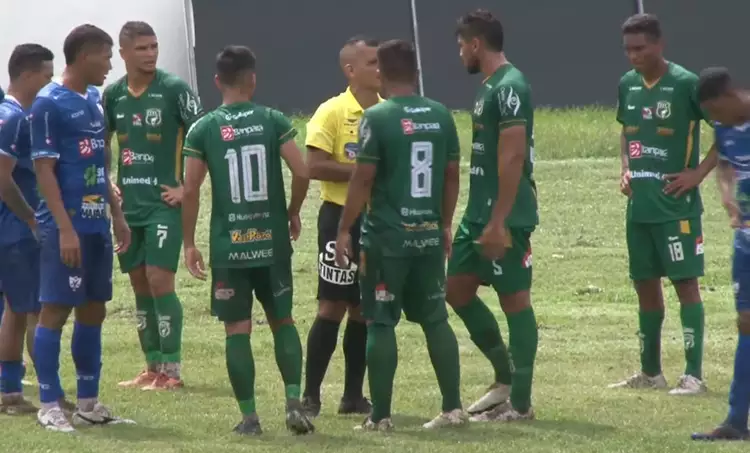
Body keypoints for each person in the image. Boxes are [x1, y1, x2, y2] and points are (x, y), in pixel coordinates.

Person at [182, 45, 314, 436]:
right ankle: (294, 403)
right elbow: (302, 170)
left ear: (217, 82)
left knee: (237, 330)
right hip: (271, 243)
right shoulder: (272, 120)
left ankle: (250, 418)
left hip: (230, 248)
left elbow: (190, 190)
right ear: (253, 79)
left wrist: (189, 242)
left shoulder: (203, 128)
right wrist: (292, 211)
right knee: (283, 321)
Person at [334, 39, 465, 431]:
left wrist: (344, 228)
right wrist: (444, 223)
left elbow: (363, 178)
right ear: (417, 72)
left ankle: (381, 416)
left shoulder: (377, 116)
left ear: (381, 74)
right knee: (435, 318)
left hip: (387, 239)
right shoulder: (442, 115)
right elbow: (451, 174)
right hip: (427, 235)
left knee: (380, 322)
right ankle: (453, 408)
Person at [30, 24, 133, 432]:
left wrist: (117, 214)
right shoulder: (47, 104)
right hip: (65, 227)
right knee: (55, 309)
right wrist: (65, 229)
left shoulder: (93, 99)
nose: (110, 65)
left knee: (94, 308)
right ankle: (48, 403)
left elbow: (102, 160)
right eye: (107, 56)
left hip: (97, 225)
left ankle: (88, 402)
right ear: (86, 54)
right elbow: (44, 171)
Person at [608, 13, 716, 394]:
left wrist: (697, 174)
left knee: (685, 284)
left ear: (659, 44)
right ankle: (651, 373)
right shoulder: (627, 85)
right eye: (628, 50)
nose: (634, 56)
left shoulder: (687, 84)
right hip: (640, 208)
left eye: (641, 48)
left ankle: (694, 375)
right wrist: (625, 169)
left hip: (676, 208)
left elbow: (730, 128)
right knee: (645, 285)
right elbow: (626, 132)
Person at [445, 9, 538, 422]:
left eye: (462, 45)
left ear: (476, 44)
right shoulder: (487, 87)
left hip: (507, 217)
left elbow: (514, 155)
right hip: (477, 215)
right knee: (456, 290)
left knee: (514, 301)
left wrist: (500, 220)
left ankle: (520, 404)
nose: (460, 52)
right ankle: (504, 378)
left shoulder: (511, 86)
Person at [104, 21, 203, 391]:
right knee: (139, 286)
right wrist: (107, 178)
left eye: (154, 47)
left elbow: (203, 138)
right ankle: (151, 367)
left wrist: (186, 187)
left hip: (163, 204)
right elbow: (102, 140)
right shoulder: (112, 94)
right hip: (128, 208)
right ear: (123, 53)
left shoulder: (175, 89)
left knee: (160, 280)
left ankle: (172, 373)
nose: (150, 54)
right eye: (142, 48)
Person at [302, 36, 381, 417]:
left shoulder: (389, 111)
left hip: (377, 220)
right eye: (372, 63)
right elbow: (312, 166)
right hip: (337, 218)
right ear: (350, 70)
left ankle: (353, 396)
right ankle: (310, 395)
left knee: (364, 308)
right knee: (331, 305)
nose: (379, 69)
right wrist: (362, 173)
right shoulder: (332, 111)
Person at [691, 67, 750, 441]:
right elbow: (726, 167)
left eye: (715, 112)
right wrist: (728, 198)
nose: (714, 121)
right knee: (745, 322)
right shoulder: (725, 127)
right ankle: (735, 420)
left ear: (729, 97)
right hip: (745, 239)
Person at [0, 43, 54, 414]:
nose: (49, 85)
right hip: (18, 232)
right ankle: (51, 394)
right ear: (28, 75)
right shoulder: (14, 117)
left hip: (11, 231)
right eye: (47, 77)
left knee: (15, 312)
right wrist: (32, 217)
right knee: (36, 312)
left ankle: (11, 392)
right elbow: (3, 178)